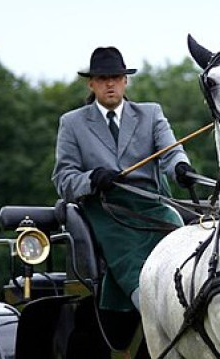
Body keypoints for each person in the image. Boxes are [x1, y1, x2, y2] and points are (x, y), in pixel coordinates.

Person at [52, 46, 197, 312]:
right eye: (103, 78)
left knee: (185, 250)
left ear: (125, 81)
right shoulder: (72, 123)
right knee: (136, 267)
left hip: (152, 205)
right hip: (106, 210)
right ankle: (150, 309)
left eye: (116, 77)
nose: (110, 83)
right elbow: (64, 178)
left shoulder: (151, 113)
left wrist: (181, 169)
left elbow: (172, 152)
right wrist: (92, 179)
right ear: (92, 83)